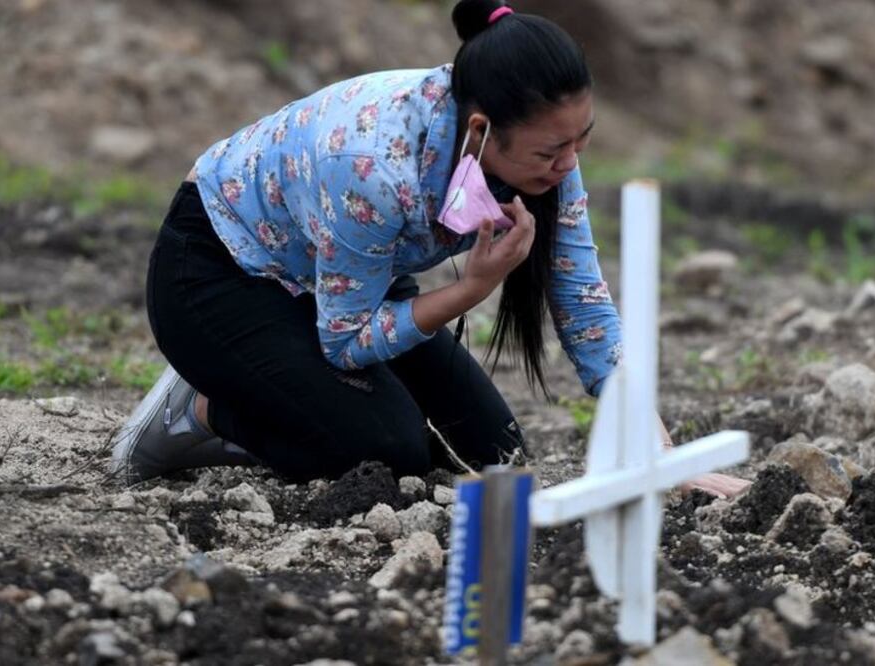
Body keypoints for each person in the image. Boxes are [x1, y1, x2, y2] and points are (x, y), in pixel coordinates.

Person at [111, 0, 751, 497]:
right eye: (552, 151)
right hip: (221, 271)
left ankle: (282, 382)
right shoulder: (372, 164)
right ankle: (203, 405)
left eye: (581, 140)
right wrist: (471, 290)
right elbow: (347, 341)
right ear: (480, 129)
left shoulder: (542, 149)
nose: (569, 163)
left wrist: (656, 448)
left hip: (338, 279)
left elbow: (582, 298)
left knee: (492, 454)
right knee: (383, 453)